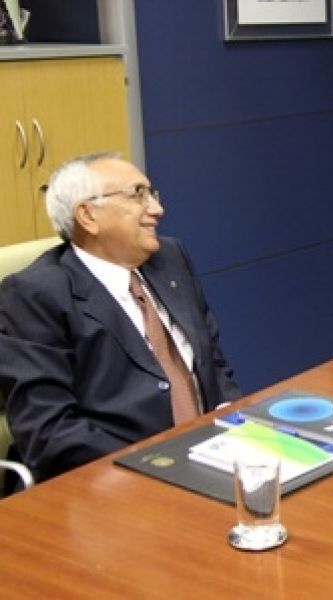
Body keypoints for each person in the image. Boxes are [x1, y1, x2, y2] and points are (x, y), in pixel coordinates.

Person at [0, 152, 242, 486]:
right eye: (138, 195)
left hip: (211, 456)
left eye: (152, 194)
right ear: (88, 216)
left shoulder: (170, 257)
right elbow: (50, 432)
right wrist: (160, 465)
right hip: (112, 479)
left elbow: (211, 362)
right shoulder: (35, 294)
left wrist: (234, 420)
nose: (157, 209)